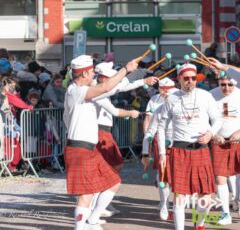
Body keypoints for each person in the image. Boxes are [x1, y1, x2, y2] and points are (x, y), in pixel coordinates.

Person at [63, 54, 139, 230]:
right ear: (84, 74)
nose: (93, 75)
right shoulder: (77, 91)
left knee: (113, 181)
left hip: (88, 148)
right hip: (80, 148)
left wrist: (136, 80)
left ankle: (91, 221)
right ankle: (81, 227)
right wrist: (126, 69)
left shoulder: (83, 91)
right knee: (85, 194)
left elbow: (111, 90)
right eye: (91, 72)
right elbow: (106, 87)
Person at [157, 63, 222, 230]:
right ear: (179, 79)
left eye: (193, 78)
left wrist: (211, 133)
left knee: (206, 199)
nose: (190, 81)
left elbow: (217, 119)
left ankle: (199, 223)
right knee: (180, 197)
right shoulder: (171, 99)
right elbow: (162, 126)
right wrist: (163, 153)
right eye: (186, 78)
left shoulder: (205, 96)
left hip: (201, 151)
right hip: (180, 151)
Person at [92, 62, 158, 219]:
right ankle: (97, 206)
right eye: (109, 78)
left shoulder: (101, 88)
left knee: (116, 166)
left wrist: (143, 81)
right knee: (105, 171)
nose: (112, 81)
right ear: (101, 78)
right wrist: (131, 113)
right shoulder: (95, 91)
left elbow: (120, 86)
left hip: (105, 132)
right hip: (99, 132)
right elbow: (115, 106)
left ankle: (103, 201)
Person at [209, 75, 240, 225]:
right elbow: (204, 119)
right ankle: (225, 213)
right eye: (223, 85)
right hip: (219, 141)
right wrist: (213, 134)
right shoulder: (211, 95)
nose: (226, 88)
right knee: (219, 177)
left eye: (230, 84)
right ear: (218, 83)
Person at [142, 77, 178, 221]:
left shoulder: (182, 103)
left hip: (181, 145)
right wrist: (145, 152)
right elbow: (150, 130)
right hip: (162, 143)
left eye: (168, 91)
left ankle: (178, 206)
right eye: (163, 90)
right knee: (163, 175)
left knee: (179, 178)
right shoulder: (157, 106)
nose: (165, 93)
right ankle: (164, 204)